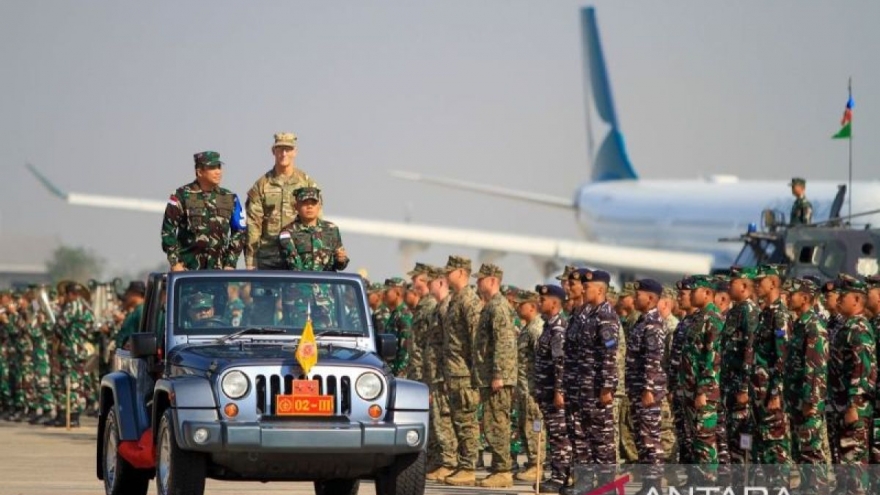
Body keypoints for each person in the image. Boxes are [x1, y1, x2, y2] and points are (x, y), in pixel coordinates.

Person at [470, 263, 517, 488]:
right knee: (491, 423)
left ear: (492, 281)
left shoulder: (498, 306)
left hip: (498, 378)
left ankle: (503, 471)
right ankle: (499, 468)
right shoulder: (491, 306)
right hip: (489, 376)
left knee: (497, 423)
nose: (477, 284)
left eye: (480, 280)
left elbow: (504, 343)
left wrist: (498, 374)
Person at [161, 151, 247, 271]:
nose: (218, 171)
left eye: (219, 167)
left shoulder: (229, 197)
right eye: (212, 168)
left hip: (218, 272)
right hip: (188, 272)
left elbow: (240, 230)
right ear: (199, 172)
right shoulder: (182, 195)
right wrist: (175, 263)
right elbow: (168, 230)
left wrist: (230, 263)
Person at [246, 132, 319, 270]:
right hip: (268, 258)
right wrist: (251, 263)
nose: (284, 154)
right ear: (273, 151)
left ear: (295, 152)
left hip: (299, 258)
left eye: (288, 149)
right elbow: (253, 226)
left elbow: (316, 222)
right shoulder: (261, 185)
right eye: (280, 149)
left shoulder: (307, 183)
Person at [783, 278, 829, 495]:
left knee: (811, 453)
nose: (788, 297)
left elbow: (815, 367)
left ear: (805, 298)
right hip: (797, 401)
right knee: (800, 453)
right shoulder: (800, 324)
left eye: (792, 294)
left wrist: (810, 401)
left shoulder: (813, 326)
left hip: (808, 403)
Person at [442, 255, 484, 487]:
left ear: (460, 273)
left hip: (465, 373)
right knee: (458, 420)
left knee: (466, 420)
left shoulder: (469, 300)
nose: (446, 276)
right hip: (454, 371)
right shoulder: (456, 299)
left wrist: (474, 373)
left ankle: (468, 467)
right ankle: (462, 464)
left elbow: (476, 340)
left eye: (449, 272)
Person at [752, 264, 793, 486]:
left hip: (771, 395)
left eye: (761, 281)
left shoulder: (779, 316)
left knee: (775, 446)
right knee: (763, 447)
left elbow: (783, 357)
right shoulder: (764, 314)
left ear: (774, 283)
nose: (757, 285)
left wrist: (776, 391)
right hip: (759, 393)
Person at [680, 275, 723, 484]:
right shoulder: (699, 318)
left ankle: (709, 483)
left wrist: (703, 391)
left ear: (707, 293)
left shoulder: (713, 319)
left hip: (704, 393)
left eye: (694, 290)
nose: (690, 294)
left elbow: (712, 358)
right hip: (691, 390)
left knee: (705, 440)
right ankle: (699, 483)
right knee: (697, 440)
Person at [626, 279, 667, 495]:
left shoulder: (653, 324)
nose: (634, 297)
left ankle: (654, 484)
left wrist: (649, 388)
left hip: (647, 391)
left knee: (650, 438)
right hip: (638, 389)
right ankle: (647, 482)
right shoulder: (642, 322)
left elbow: (654, 358)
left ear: (651, 298)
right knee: (642, 438)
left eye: (638, 294)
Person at [534, 284, 572, 494]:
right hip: (546, 390)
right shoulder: (548, 326)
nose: (539, 303)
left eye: (543, 299)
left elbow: (560, 363)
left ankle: (560, 478)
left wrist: (559, 391)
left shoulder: (558, 329)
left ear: (555, 303)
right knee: (554, 434)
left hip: (554, 391)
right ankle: (557, 474)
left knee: (560, 435)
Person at [424, 266, 459, 482]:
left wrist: (447, 374)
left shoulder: (447, 308)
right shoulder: (440, 307)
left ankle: (449, 462)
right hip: (436, 372)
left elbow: (450, 344)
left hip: (444, 373)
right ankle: (443, 461)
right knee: (438, 420)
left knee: (445, 419)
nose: (427, 287)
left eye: (430, 283)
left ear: (439, 283)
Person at [278, 187, 348, 271]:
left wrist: (341, 259)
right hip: (301, 282)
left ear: (319, 206)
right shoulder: (287, 233)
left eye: (313, 203)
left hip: (327, 282)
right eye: (305, 203)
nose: (309, 207)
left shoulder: (331, 229)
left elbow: (340, 265)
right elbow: (294, 266)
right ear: (296, 206)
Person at [406, 262, 437, 382]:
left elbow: (433, 345)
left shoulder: (431, 305)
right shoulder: (422, 306)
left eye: (416, 279)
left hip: (425, 374)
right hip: (416, 371)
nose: (413, 284)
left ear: (425, 280)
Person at [383, 278, 413, 377]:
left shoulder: (404, 315)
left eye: (387, 291)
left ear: (398, 293)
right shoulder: (395, 314)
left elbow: (407, 347)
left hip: (400, 372)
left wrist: (400, 372)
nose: (384, 295)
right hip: (391, 370)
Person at [114, 281, 146, 350]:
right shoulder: (137, 310)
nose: (126, 296)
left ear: (135, 294)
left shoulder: (141, 310)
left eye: (128, 293)